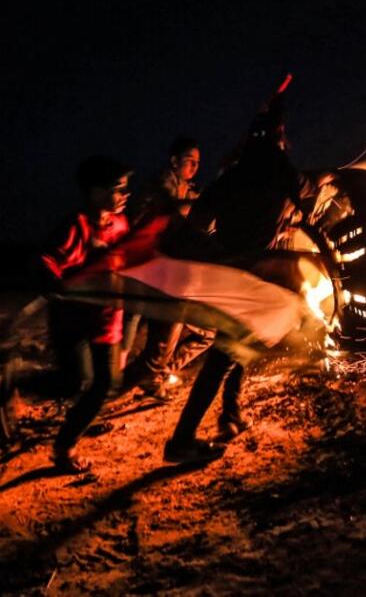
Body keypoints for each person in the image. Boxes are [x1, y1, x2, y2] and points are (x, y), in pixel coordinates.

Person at [163, 83, 306, 463]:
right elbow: (307, 199)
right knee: (226, 352)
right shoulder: (279, 170)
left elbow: (197, 222)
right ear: (277, 139)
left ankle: (230, 413)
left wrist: (220, 251)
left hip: (232, 275)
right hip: (249, 279)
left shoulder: (233, 175)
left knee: (240, 345)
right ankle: (183, 439)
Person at [39, 155, 132, 473]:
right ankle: (19, 387)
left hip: (107, 320)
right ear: (94, 191)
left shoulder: (120, 224)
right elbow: (48, 259)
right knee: (74, 382)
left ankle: (65, 445)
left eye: (125, 189)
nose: (124, 195)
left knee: (107, 384)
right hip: (73, 321)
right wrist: (54, 281)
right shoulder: (76, 225)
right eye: (118, 189)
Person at [122, 137, 215, 396]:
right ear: (174, 161)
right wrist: (204, 206)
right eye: (190, 161)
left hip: (171, 276)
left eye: (198, 163)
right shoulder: (162, 185)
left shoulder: (188, 188)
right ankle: (104, 394)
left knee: (206, 333)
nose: (195, 167)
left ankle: (160, 374)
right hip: (146, 272)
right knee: (133, 341)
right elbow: (172, 208)